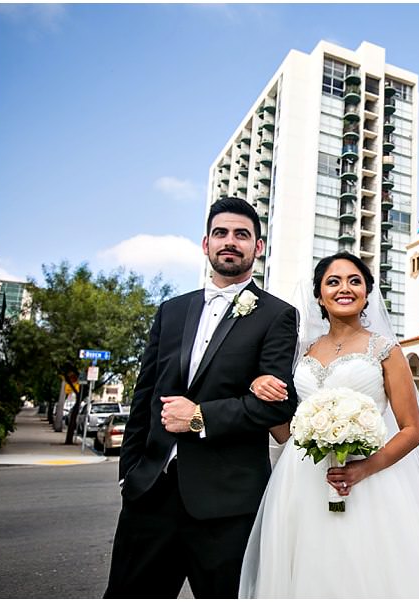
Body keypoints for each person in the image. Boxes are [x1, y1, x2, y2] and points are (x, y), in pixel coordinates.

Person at [239, 251, 419, 598]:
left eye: (354, 281)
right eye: (333, 282)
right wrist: (260, 391)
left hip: (369, 482)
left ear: (367, 291)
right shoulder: (301, 353)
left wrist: (362, 469)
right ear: (319, 295)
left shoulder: (385, 350)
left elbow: (412, 430)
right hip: (300, 481)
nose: (344, 288)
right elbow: (287, 432)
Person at [105, 197, 299, 598]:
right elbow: (145, 395)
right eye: (221, 233)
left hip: (226, 504)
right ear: (205, 243)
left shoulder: (277, 315)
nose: (230, 242)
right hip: (150, 496)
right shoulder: (172, 311)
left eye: (242, 235)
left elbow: (276, 404)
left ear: (257, 247)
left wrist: (200, 417)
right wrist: (130, 473)